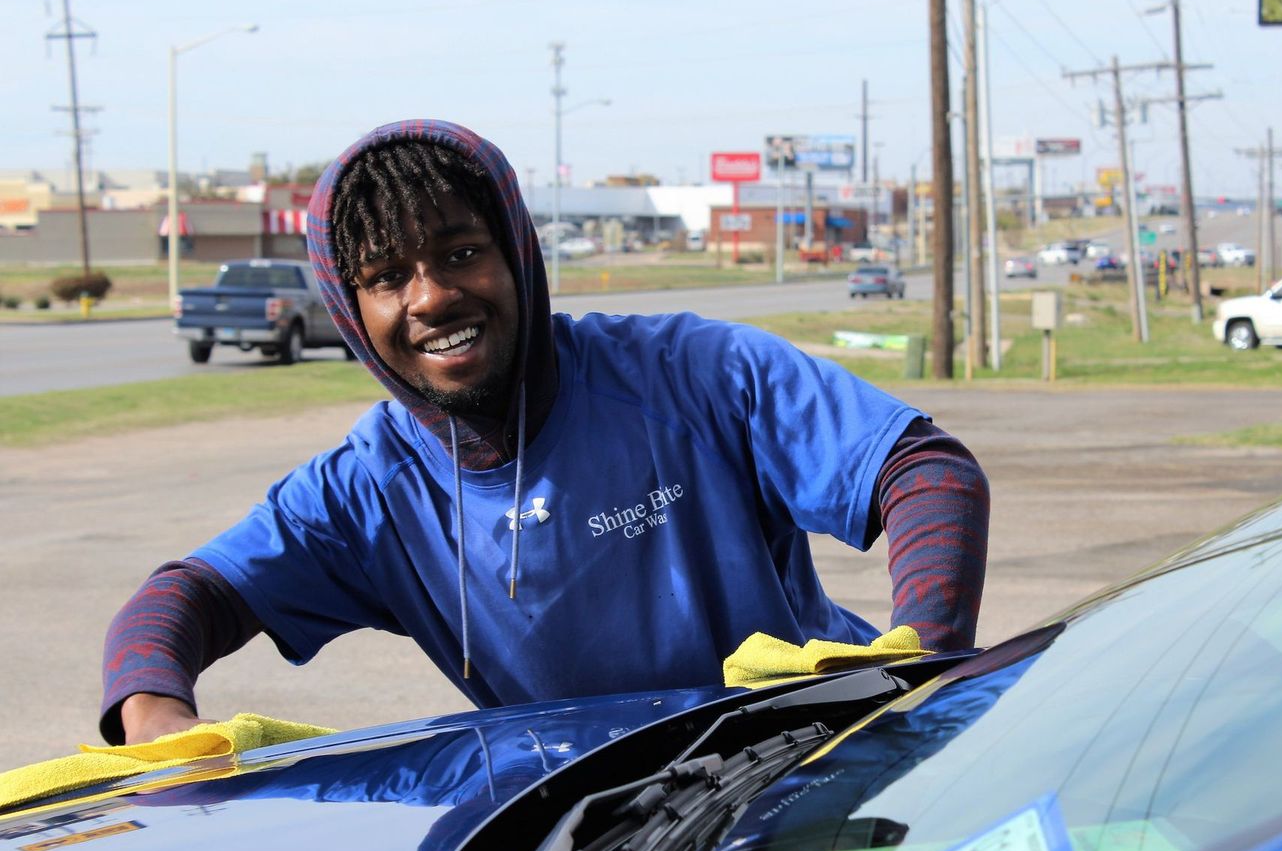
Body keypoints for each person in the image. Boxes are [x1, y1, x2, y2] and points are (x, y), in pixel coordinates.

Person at [101, 119, 990, 746]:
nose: (433, 297)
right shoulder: (368, 491)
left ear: (516, 251)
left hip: (809, 763)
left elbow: (923, 472)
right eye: (386, 276)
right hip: (585, 831)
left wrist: (913, 670)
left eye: (459, 253)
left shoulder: (690, 373)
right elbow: (187, 598)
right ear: (349, 310)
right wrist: (155, 714)